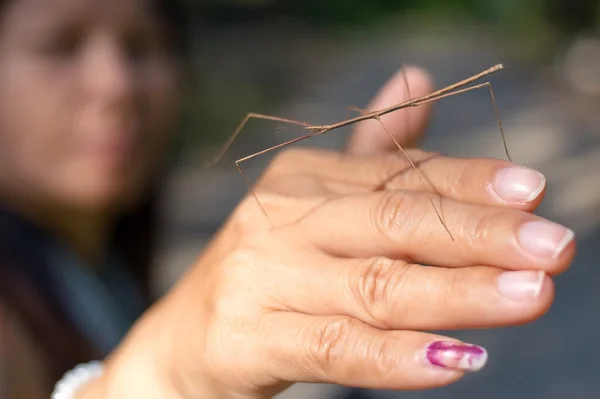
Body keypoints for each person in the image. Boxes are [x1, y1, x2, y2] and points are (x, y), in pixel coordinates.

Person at [0, 0, 575, 398]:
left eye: (142, 46)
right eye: (60, 45)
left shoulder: (97, 270)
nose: (116, 85)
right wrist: (158, 380)